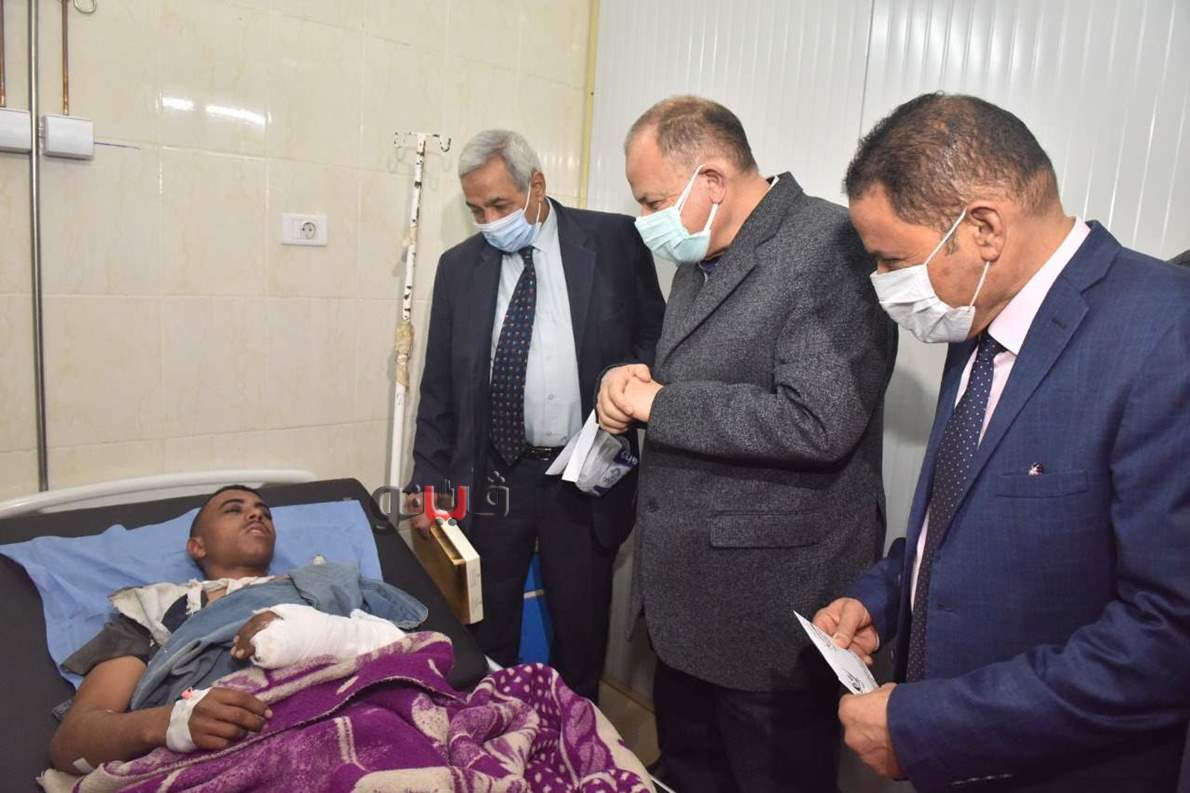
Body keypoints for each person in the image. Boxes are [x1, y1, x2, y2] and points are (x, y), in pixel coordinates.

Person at [816, 92, 1190, 792]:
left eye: (892, 260)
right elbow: (964, 518)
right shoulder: (979, 318)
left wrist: (932, 726)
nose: (883, 286)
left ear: (983, 228)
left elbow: (1168, 638)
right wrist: (883, 597)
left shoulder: (1166, 334)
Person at [599, 95, 897, 792]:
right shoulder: (701, 254)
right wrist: (634, 380)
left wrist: (661, 403)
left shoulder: (829, 246)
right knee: (693, 771)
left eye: (652, 202)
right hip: (685, 603)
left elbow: (820, 420)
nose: (645, 220)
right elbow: (704, 377)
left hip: (767, 613)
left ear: (711, 180)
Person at [405, 129, 666, 702]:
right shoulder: (459, 268)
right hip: (495, 474)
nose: (489, 221)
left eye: (500, 204)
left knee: (581, 620)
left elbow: (656, 334)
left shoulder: (613, 240)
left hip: (583, 470)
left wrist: (632, 390)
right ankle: (496, 721)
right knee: (488, 621)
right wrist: (428, 482)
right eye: (476, 210)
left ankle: (576, 726)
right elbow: (439, 388)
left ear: (537, 185)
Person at [49, 485, 425, 773]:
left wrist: (310, 627)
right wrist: (173, 723)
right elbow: (72, 742)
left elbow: (416, 656)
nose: (256, 515)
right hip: (227, 754)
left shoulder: (327, 584)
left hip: (352, 729)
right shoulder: (156, 609)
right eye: (234, 509)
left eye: (264, 513)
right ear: (196, 546)